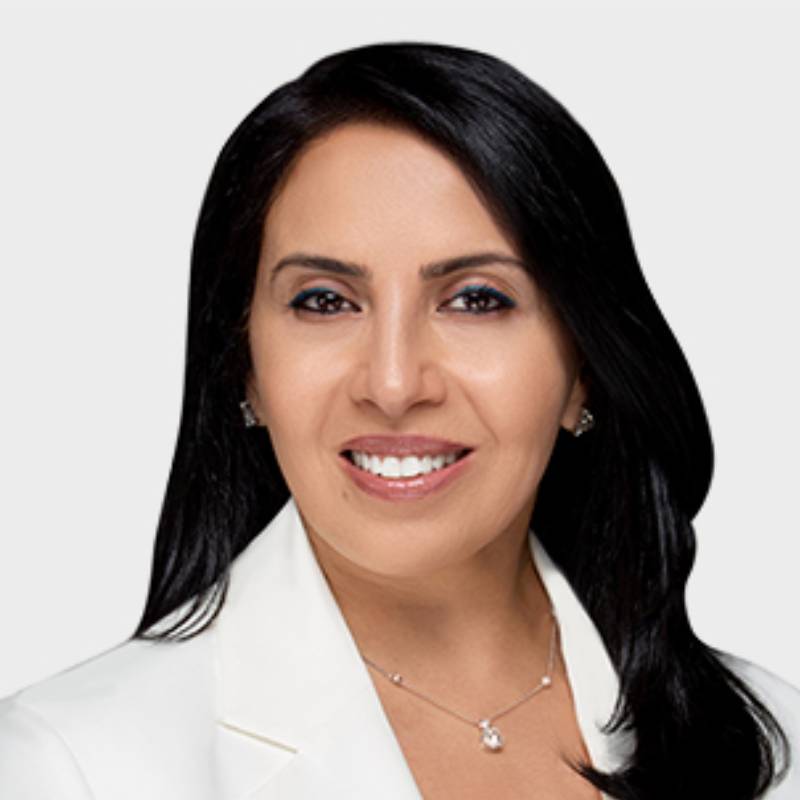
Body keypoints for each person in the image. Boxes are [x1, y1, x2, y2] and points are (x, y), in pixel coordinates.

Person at [0, 40, 797, 800]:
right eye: (324, 301)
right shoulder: (71, 765)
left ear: (584, 368)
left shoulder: (775, 742)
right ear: (245, 367)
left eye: (476, 299)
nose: (392, 383)